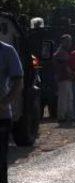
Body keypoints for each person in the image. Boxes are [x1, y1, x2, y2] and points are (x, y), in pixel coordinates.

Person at [0, 41, 23, 183]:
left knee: (0, 161)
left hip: (1, 116)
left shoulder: (7, 51)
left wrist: (4, 103)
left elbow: (18, 80)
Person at [53, 35, 74, 123]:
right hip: (64, 77)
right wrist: (72, 74)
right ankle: (62, 117)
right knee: (64, 98)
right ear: (63, 42)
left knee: (68, 98)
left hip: (65, 78)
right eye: (68, 41)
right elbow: (65, 66)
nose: (69, 43)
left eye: (70, 41)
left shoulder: (61, 51)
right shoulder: (62, 52)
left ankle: (67, 115)